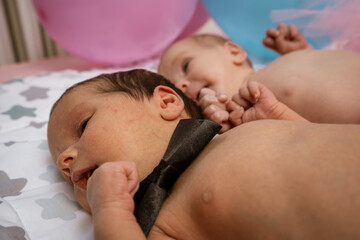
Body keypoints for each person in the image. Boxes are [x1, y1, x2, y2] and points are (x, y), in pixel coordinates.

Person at [48, 69, 360, 240]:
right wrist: (111, 211)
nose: (65, 160)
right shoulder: (162, 222)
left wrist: (281, 116)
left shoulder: (230, 136)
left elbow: (318, 144)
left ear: (168, 103)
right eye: (60, 162)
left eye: (84, 125)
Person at [157, 24, 360, 132]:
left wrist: (305, 53)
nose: (182, 85)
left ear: (234, 52)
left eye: (186, 65)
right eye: (175, 87)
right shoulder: (244, 117)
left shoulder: (266, 72)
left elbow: (324, 76)